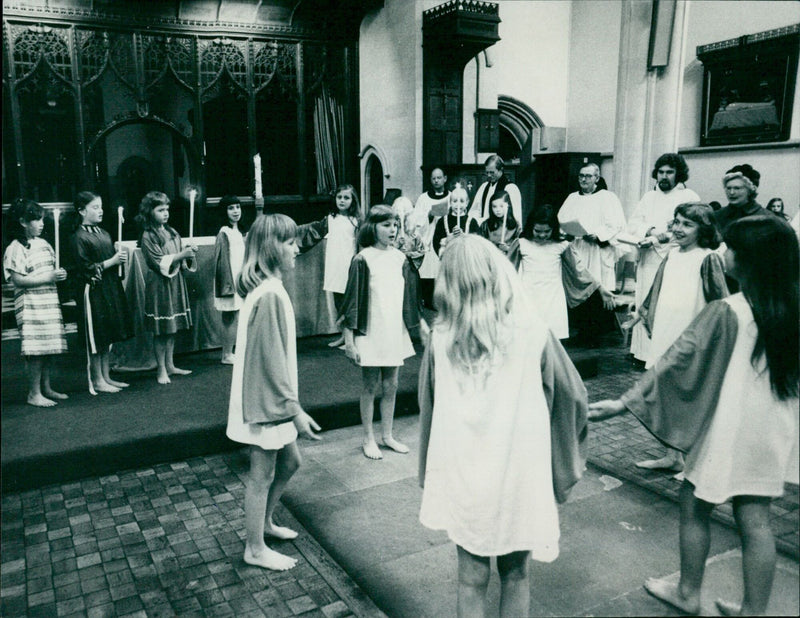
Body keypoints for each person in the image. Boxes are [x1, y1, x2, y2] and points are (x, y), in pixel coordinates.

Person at [589, 215, 798, 617]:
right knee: (756, 519)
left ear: (750, 260)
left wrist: (625, 401)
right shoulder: (791, 309)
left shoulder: (728, 311)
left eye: (732, 247)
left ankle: (687, 591)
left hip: (730, 427)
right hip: (773, 428)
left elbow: (676, 360)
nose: (724, 253)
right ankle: (754, 611)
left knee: (695, 503)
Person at [418, 234, 588, 618]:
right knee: (516, 575)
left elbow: (427, 405)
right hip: (519, 470)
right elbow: (571, 397)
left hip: (466, 474)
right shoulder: (533, 332)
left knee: (470, 578)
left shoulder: (440, 339)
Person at [226, 213, 322, 571]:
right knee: (262, 474)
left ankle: (263, 525)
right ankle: (254, 547)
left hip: (271, 398)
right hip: (266, 401)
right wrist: (294, 409)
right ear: (270, 248)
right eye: (289, 242)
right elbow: (269, 361)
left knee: (292, 461)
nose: (297, 248)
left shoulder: (270, 289)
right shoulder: (268, 295)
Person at [632, 202, 728, 471]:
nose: (679, 228)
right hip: (666, 331)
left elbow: (720, 301)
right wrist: (643, 313)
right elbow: (656, 290)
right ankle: (673, 456)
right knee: (667, 397)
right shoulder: (672, 255)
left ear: (704, 228)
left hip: (692, 336)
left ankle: (695, 463)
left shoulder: (707, 258)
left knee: (690, 400)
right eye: (676, 222)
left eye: (687, 224)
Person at [340, 205, 426, 460]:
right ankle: (368, 437)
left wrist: (418, 325)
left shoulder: (400, 258)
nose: (392, 230)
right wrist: (349, 341)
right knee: (370, 385)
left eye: (395, 225)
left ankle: (387, 435)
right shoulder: (362, 258)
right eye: (386, 225)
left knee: (392, 384)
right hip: (370, 331)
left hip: (392, 330)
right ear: (373, 227)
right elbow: (352, 301)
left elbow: (409, 298)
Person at [626, 153, 701, 363]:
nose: (664, 176)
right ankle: (641, 353)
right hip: (647, 259)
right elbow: (632, 224)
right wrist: (649, 230)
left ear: (679, 174)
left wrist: (660, 239)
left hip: (673, 259)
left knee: (665, 305)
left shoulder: (689, 197)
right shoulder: (649, 197)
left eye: (669, 172)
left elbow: (692, 230)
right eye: (661, 172)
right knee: (644, 301)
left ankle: (661, 354)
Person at [507, 205, 615, 340]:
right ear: (531, 227)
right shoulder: (522, 243)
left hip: (553, 298)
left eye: (547, 231)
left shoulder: (562, 245)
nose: (542, 235)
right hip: (528, 296)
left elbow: (579, 270)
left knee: (552, 339)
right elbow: (507, 268)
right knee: (528, 337)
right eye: (537, 231)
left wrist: (600, 288)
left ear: (554, 228)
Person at [3, 198, 68, 407]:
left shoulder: (44, 244)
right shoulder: (15, 248)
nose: (41, 224)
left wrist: (59, 274)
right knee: (36, 349)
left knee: (48, 347)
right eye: (37, 220)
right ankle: (34, 392)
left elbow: (51, 270)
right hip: (31, 304)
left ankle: (46, 387)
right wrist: (48, 277)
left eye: (42, 220)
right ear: (23, 221)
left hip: (47, 300)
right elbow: (18, 281)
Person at [69, 191, 134, 393]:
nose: (100, 211)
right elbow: (84, 267)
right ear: (81, 210)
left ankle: (106, 376)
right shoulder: (78, 236)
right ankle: (97, 379)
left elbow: (114, 264)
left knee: (107, 333)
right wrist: (112, 261)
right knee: (96, 336)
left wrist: (119, 259)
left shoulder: (104, 233)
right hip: (93, 290)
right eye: (95, 207)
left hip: (109, 288)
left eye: (101, 207)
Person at [557, 163, 626, 342]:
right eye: (581, 175)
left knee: (597, 284)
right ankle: (581, 330)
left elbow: (616, 224)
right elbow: (561, 220)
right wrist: (568, 230)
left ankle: (596, 333)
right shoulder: (572, 198)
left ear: (597, 178)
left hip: (597, 249)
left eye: (588, 176)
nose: (584, 179)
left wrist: (598, 235)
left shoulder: (608, 197)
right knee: (580, 284)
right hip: (577, 247)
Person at [136, 191, 197, 384]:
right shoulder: (148, 235)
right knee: (161, 329)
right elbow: (157, 261)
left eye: (167, 209)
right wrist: (181, 255)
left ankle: (170, 364)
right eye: (160, 210)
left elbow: (179, 256)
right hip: (160, 285)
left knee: (172, 328)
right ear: (149, 212)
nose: (165, 213)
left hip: (175, 282)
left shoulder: (172, 232)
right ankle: (161, 369)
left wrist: (187, 252)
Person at [296, 184, 361, 348]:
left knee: (350, 303)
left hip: (350, 265)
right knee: (338, 302)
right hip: (335, 265)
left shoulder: (356, 221)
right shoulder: (330, 219)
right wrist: (296, 245)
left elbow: (362, 244)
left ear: (353, 201)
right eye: (339, 197)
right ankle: (343, 335)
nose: (342, 201)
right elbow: (313, 233)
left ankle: (351, 337)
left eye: (346, 198)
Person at [213, 195, 247, 365]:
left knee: (239, 315)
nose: (235, 211)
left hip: (240, 279)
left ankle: (235, 350)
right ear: (224, 211)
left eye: (238, 207)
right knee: (229, 317)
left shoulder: (239, 232)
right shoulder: (224, 232)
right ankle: (226, 354)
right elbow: (222, 261)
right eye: (231, 208)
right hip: (229, 281)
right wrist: (228, 287)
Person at [414, 167, 450, 308]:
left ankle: (442, 301)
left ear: (445, 179)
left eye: (439, 178)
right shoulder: (423, 198)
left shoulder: (451, 196)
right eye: (433, 178)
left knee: (441, 272)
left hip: (443, 237)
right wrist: (428, 216)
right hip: (428, 237)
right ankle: (428, 301)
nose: (436, 181)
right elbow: (416, 219)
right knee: (428, 271)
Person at [467, 154, 522, 225]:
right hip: (485, 229)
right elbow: (475, 210)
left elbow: (516, 215)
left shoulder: (511, 188)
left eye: (492, 172)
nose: (489, 175)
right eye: (487, 172)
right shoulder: (484, 187)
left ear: (501, 170)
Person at [713, 167, 769, 236]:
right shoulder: (717, 216)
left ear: (750, 190)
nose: (732, 192)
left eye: (737, 188)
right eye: (728, 188)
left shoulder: (766, 218)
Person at [432, 185, 480, 257]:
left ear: (467, 203)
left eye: (462, 201)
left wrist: (463, 236)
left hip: (466, 259)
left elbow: (477, 242)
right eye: (455, 201)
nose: (458, 204)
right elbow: (436, 242)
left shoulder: (472, 222)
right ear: (450, 203)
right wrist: (449, 239)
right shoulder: (442, 221)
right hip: (448, 259)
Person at [477, 190, 520, 254]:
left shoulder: (516, 225)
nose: (498, 210)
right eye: (494, 206)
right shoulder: (486, 225)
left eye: (501, 206)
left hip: (508, 261)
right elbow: (479, 244)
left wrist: (508, 249)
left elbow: (520, 248)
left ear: (508, 206)